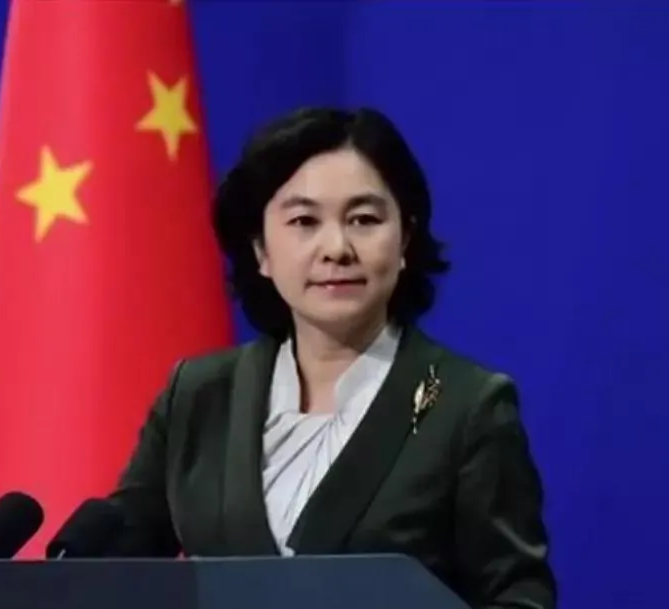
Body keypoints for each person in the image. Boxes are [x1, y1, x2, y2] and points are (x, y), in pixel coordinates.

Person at [106, 107, 556, 608]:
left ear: (405, 239)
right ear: (261, 250)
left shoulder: (468, 407)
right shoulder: (197, 395)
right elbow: (116, 562)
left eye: (364, 220)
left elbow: (518, 596)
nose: (337, 248)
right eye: (304, 221)